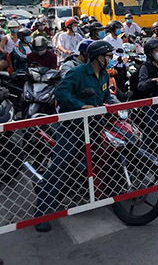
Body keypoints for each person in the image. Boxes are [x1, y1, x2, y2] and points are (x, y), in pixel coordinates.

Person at [34, 40, 115, 233]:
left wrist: (114, 103)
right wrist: (80, 106)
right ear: (98, 58)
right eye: (109, 56)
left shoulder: (103, 75)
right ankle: (41, 214)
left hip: (95, 126)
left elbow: (105, 97)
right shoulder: (77, 73)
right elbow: (61, 92)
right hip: (74, 127)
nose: (111, 60)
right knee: (58, 168)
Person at [104, 20, 128, 89]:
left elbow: (122, 52)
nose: (119, 30)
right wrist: (117, 58)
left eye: (120, 28)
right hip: (112, 66)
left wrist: (126, 62)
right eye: (117, 28)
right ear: (112, 29)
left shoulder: (119, 40)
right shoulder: (106, 40)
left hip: (121, 65)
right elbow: (108, 54)